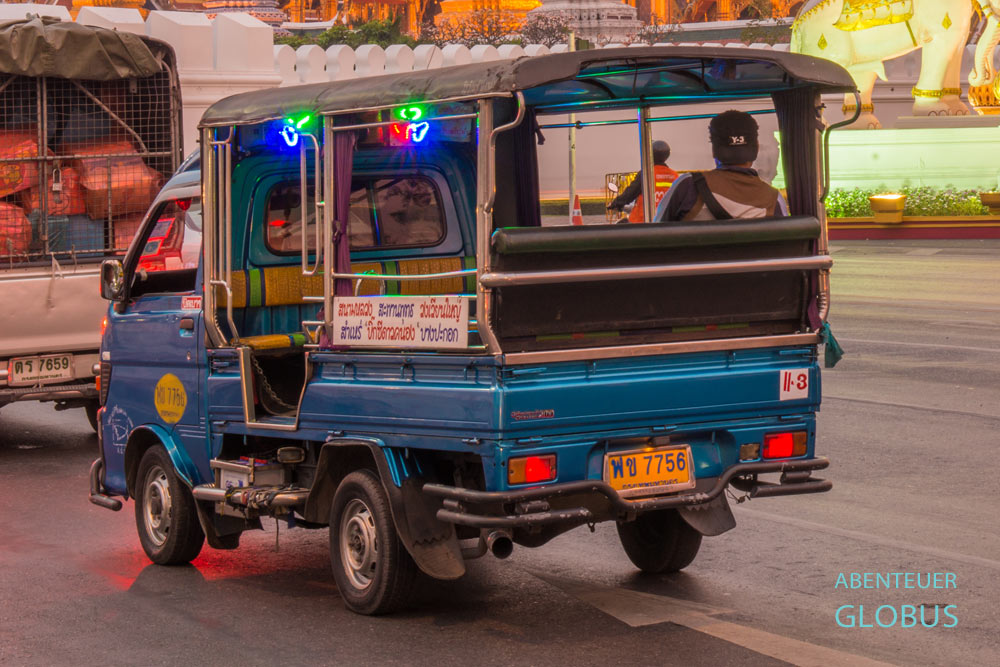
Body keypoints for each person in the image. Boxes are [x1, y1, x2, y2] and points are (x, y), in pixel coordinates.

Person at [654, 110, 787, 223]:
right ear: (756, 148)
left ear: (714, 150)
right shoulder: (773, 200)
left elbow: (657, 235)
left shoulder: (688, 186)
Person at [606, 140, 678, 223]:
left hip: (642, 220)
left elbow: (631, 192)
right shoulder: (674, 175)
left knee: (620, 228)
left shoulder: (646, 173)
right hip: (667, 221)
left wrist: (616, 203)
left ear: (650, 154)